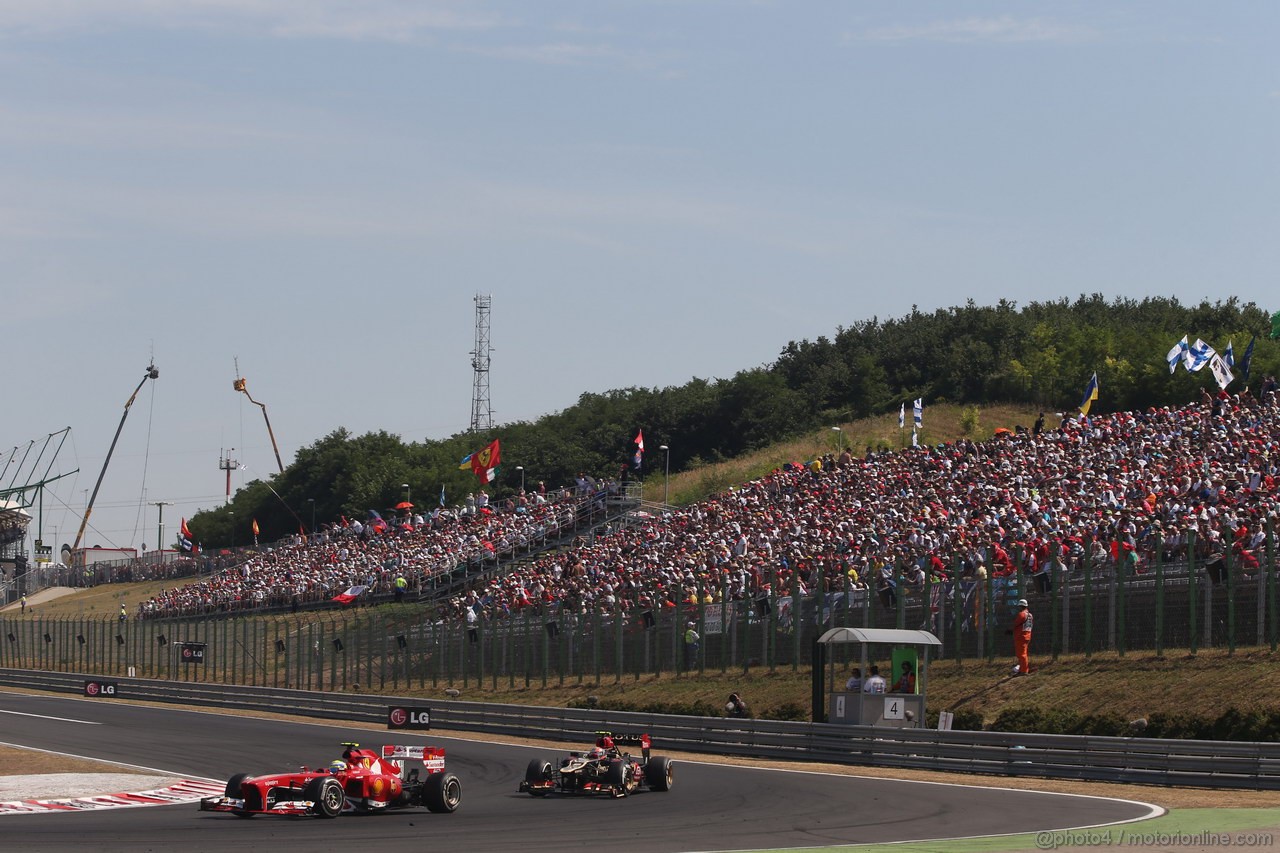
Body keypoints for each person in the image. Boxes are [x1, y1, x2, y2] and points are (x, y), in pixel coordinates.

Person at [1008, 598, 1033, 675]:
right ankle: (1022, 669)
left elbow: (1016, 624)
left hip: (1021, 636)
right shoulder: (1030, 615)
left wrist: (1010, 630)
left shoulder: (1021, 614)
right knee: (1023, 653)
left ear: (1021, 606)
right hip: (1028, 635)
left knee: (1021, 654)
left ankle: (1024, 671)